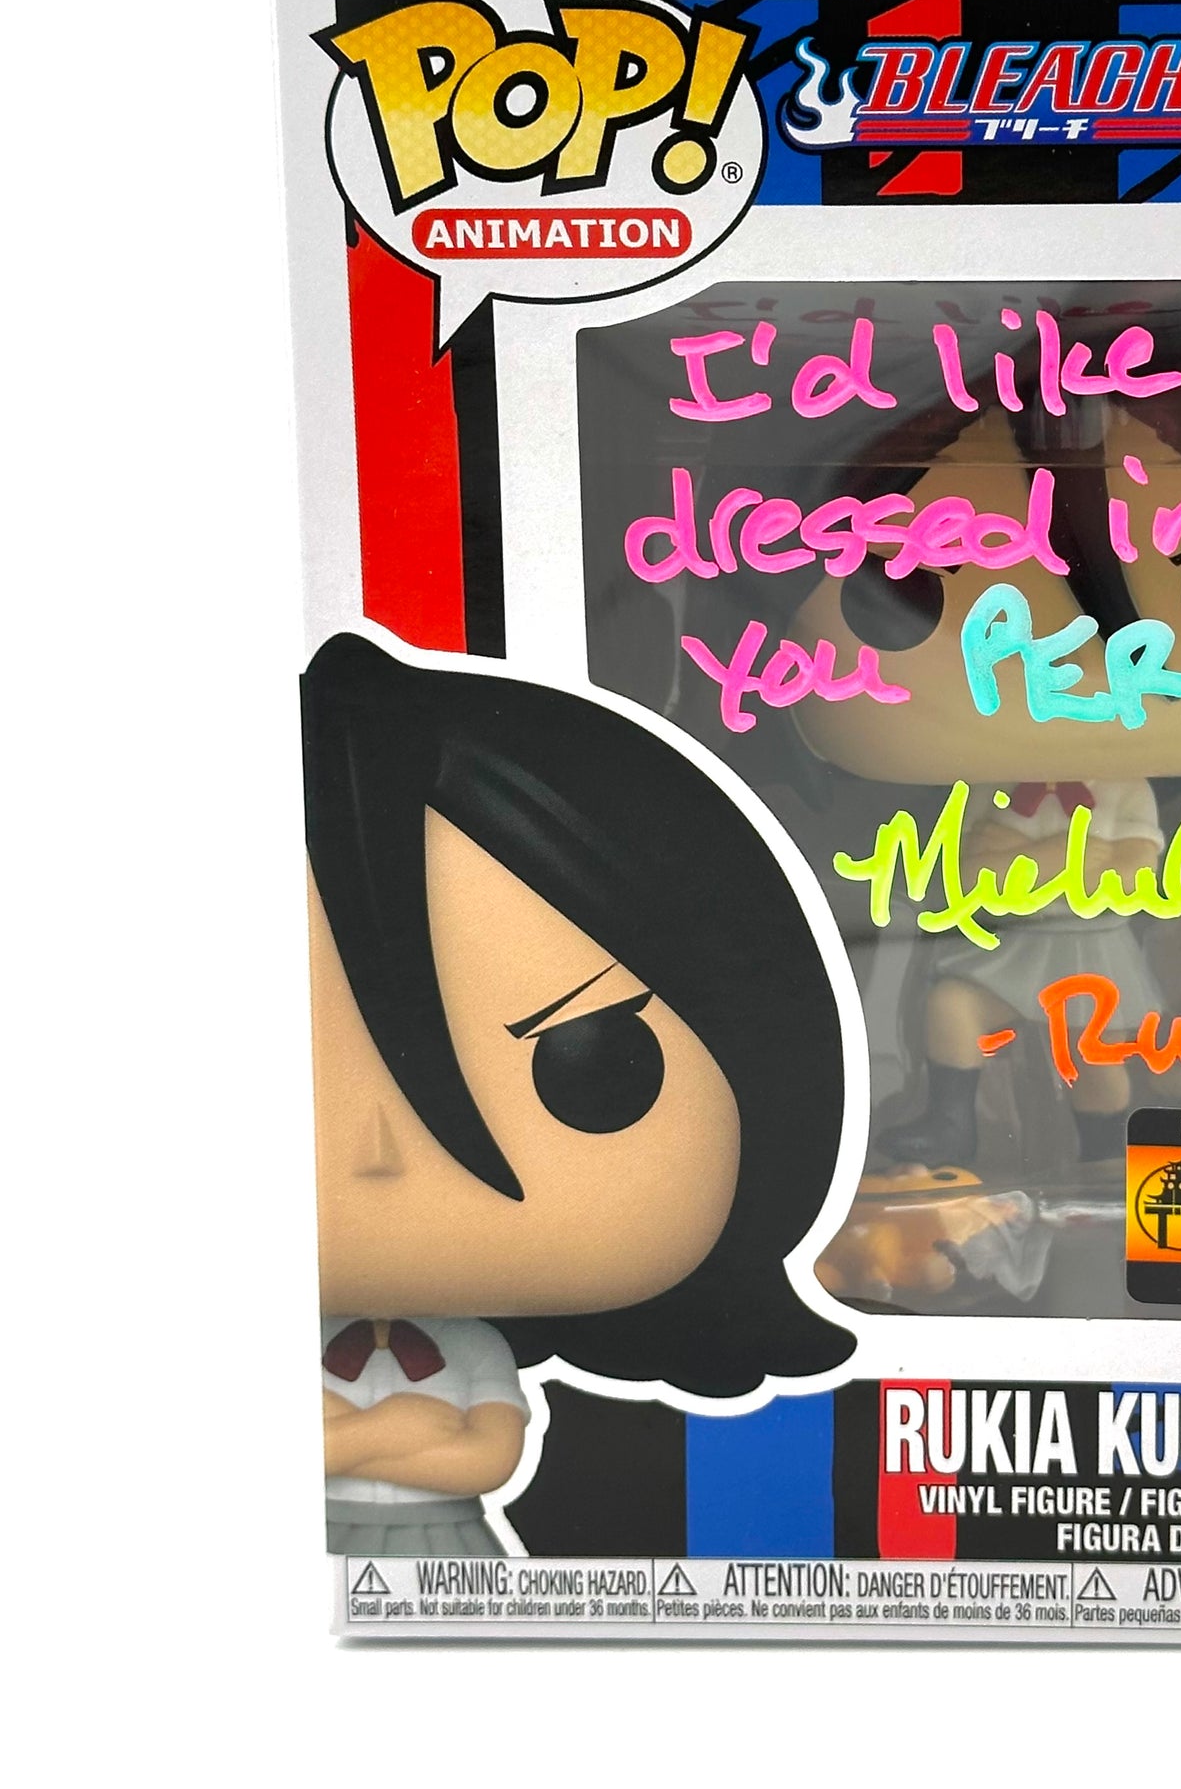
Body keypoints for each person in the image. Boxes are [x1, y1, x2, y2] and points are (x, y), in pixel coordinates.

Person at [303, 634, 852, 1553]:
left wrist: (356, 1438)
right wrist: (396, 1433)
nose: (376, 1152)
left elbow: (487, 1458)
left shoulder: (470, 1350)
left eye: (588, 1061)